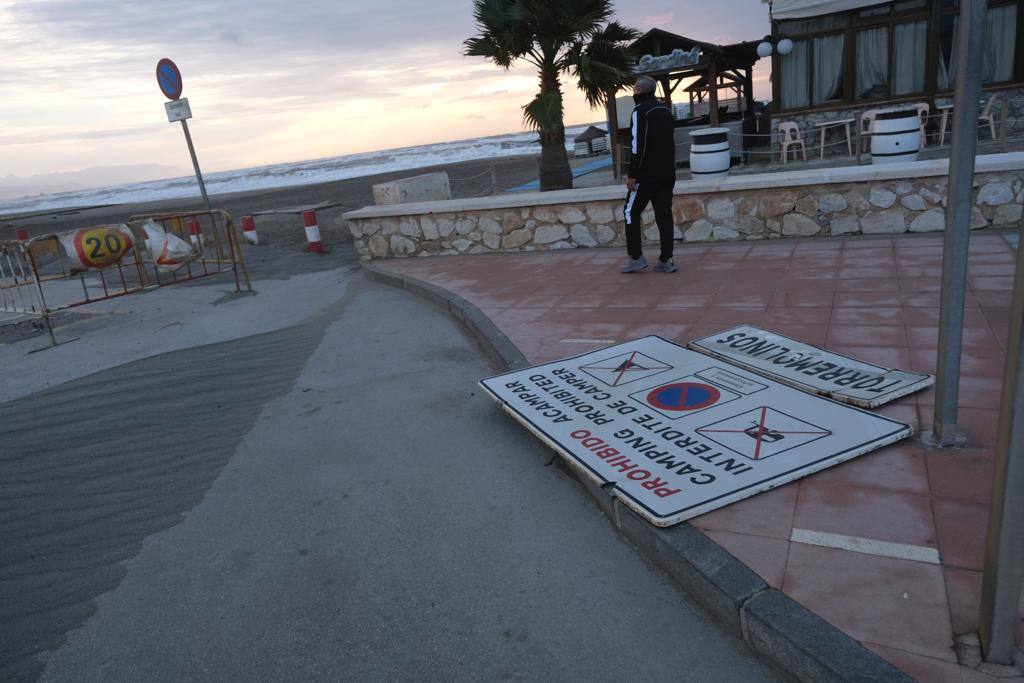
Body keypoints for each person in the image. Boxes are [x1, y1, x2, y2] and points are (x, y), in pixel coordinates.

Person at [620, 76, 677, 274]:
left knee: (630, 212)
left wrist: (632, 174)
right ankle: (666, 259)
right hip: (667, 174)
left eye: (634, 90)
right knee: (664, 215)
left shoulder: (640, 111)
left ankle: (636, 257)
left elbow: (638, 146)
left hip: (646, 176)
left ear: (638, 91)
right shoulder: (665, 110)